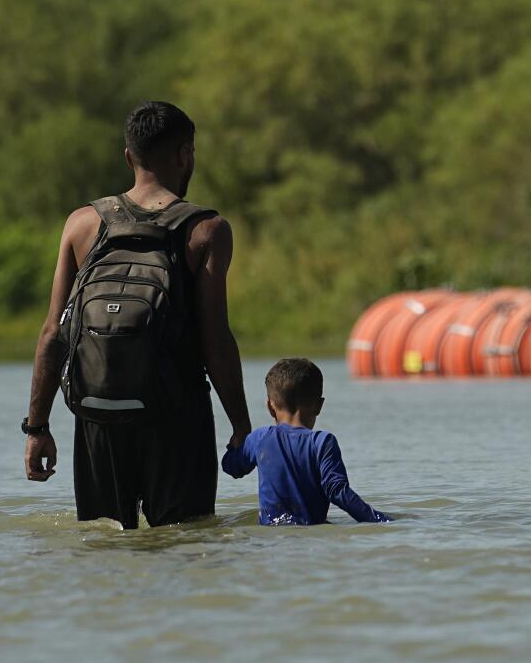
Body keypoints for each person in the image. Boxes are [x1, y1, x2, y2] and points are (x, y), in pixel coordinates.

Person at [22, 101, 252, 528]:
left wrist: (36, 428)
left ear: (129, 157)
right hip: (176, 416)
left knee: (105, 543)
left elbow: (53, 332)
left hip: (97, 415)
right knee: (185, 542)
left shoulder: (81, 223)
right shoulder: (206, 229)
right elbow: (215, 338)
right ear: (186, 154)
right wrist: (242, 426)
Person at [222, 358, 392, 526]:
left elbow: (232, 468)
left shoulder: (259, 439)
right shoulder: (322, 443)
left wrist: (235, 444)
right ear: (319, 406)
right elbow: (337, 491)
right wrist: (380, 520)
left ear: (270, 407)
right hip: (311, 535)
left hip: (272, 540)